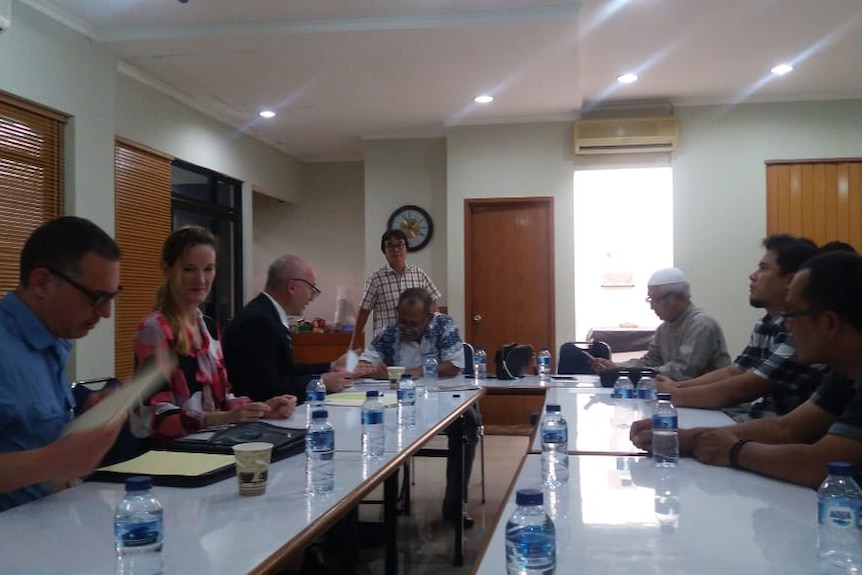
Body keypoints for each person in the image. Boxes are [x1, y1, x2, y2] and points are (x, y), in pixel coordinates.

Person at [631, 251, 862, 488]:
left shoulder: (702, 323)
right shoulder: (844, 373)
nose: (788, 325)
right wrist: (688, 438)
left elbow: (819, 465)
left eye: (792, 314)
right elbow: (788, 428)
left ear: (828, 323)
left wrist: (734, 451)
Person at [0, 216, 126, 511]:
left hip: (54, 528)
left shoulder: (54, 340)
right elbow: (54, 459)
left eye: (112, 297)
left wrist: (87, 422)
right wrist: (58, 460)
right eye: (97, 297)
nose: (106, 312)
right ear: (42, 282)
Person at [134, 227, 295, 443]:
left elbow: (222, 400)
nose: (200, 279)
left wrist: (262, 409)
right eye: (189, 269)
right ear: (167, 269)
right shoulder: (154, 329)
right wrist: (223, 418)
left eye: (208, 269)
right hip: (170, 454)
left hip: (213, 444)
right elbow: (156, 416)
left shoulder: (209, 327)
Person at [653, 235, 824, 419]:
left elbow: (747, 387)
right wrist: (676, 388)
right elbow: (735, 371)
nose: (753, 276)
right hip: (761, 419)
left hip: (778, 431)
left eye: (764, 268)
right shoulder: (765, 324)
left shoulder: (802, 329)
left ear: (790, 281)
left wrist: (673, 393)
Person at [357, 287, 479, 528]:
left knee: (469, 423)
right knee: (375, 421)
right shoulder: (389, 332)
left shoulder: (444, 325)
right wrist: (374, 370)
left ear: (429, 317)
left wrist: (417, 372)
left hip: (443, 398)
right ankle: (392, 499)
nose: (408, 328)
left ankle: (455, 503)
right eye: (403, 322)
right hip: (400, 401)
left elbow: (455, 365)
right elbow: (364, 364)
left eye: (414, 324)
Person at [223, 255, 353, 402]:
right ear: (292, 287)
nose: (311, 298)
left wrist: (330, 367)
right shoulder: (258, 321)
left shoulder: (268, 314)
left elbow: (286, 370)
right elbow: (263, 388)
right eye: (311, 289)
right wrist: (319, 383)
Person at [590, 267, 731, 380]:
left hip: (720, 409)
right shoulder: (664, 328)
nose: (652, 307)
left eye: (656, 300)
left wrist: (626, 371)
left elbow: (683, 372)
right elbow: (650, 362)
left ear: (678, 297)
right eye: (650, 300)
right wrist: (615, 367)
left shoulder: (702, 325)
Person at [349, 229, 442, 350]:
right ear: (384, 251)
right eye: (390, 246)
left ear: (406, 248)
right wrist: (354, 343)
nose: (396, 249)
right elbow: (364, 312)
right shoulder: (375, 279)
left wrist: (439, 335)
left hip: (417, 343)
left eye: (400, 245)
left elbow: (433, 306)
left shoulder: (419, 274)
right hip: (386, 345)